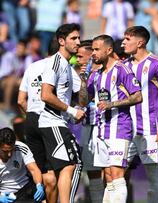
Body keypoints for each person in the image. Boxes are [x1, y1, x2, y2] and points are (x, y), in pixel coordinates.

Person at [79, 34, 142, 203]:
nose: (93, 53)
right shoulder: (96, 74)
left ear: (108, 50)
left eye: (96, 49)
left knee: (117, 174)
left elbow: (137, 96)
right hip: (101, 131)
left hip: (120, 127)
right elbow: (84, 101)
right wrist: (84, 80)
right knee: (108, 176)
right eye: (92, 49)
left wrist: (112, 104)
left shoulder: (122, 70)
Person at [122, 25, 158, 203]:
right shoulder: (124, 65)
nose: (123, 43)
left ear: (140, 42)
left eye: (127, 39)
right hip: (125, 128)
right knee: (115, 174)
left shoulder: (157, 63)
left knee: (153, 176)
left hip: (149, 127)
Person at [38, 23, 84, 203]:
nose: (78, 42)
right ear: (61, 41)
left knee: (64, 168)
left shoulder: (66, 65)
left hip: (59, 121)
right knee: (70, 165)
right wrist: (72, 111)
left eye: (78, 38)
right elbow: (46, 95)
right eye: (74, 38)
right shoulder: (55, 63)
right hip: (52, 121)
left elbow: (73, 96)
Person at [17, 39, 60, 203]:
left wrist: (31, 117)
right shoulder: (61, 67)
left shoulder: (32, 66)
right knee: (53, 174)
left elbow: (21, 100)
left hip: (32, 121)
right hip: (51, 122)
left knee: (37, 171)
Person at [75, 39, 104, 203]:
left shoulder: (104, 72)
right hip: (88, 125)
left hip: (104, 125)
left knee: (109, 172)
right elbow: (82, 102)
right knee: (92, 171)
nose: (77, 60)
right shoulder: (82, 76)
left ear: (91, 55)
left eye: (80, 56)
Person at [0, 127, 45, 203]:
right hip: (5, 195)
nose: (9, 154)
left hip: (25, 188)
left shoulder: (21, 147)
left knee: (49, 179)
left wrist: (39, 185)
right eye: (5, 151)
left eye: (12, 150)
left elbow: (34, 170)